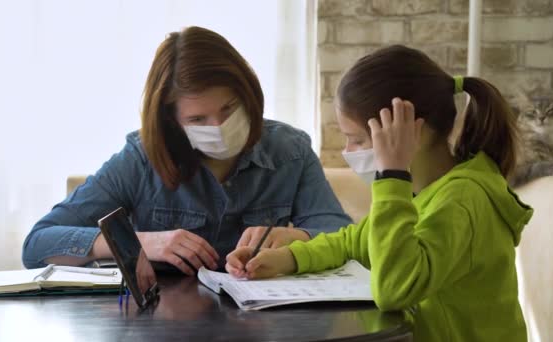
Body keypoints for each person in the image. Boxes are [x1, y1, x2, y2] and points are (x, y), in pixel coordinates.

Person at [226, 45, 533, 342]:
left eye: (357, 140)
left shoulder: (463, 200)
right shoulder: (422, 192)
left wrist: (392, 176)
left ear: (413, 131)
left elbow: (396, 289)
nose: (348, 152)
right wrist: (286, 259)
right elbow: (353, 243)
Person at [22, 26, 352, 275]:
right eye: (198, 119)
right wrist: (140, 243)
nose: (219, 127)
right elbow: (38, 244)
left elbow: (345, 235)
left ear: (248, 95)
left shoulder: (290, 150)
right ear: (172, 120)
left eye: (229, 109)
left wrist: (300, 238)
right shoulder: (140, 158)